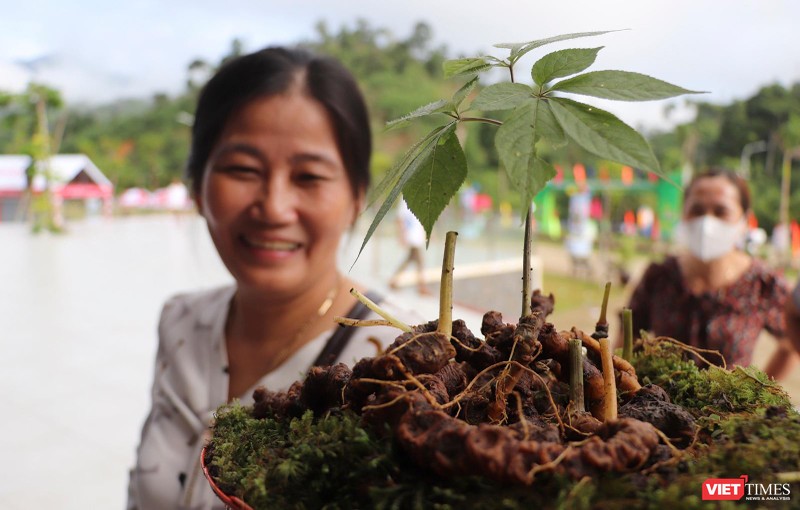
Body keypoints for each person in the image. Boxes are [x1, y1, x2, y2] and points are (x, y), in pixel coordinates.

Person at [128, 47, 421, 510]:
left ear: (356, 198)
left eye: (308, 176)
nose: (274, 208)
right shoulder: (180, 322)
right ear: (197, 187)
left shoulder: (399, 363)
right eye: (242, 170)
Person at [622, 167, 795, 377]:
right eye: (697, 210)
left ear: (744, 220)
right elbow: (625, 341)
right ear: (683, 213)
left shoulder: (762, 283)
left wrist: (760, 393)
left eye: (721, 211)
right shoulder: (660, 276)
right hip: (658, 407)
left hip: (730, 409)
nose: (706, 222)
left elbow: (791, 342)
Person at [388, 198, 430, 295]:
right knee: (420, 260)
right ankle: (422, 286)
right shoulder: (406, 199)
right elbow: (400, 218)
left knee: (409, 259)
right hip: (411, 236)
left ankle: (393, 280)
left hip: (416, 236)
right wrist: (402, 234)